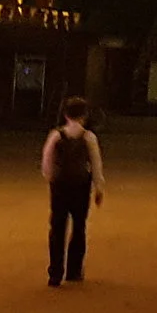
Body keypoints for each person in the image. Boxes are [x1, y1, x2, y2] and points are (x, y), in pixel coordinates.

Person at [40, 97, 106, 286]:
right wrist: (99, 188)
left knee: (57, 228)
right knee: (79, 227)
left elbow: (47, 161)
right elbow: (96, 164)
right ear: (84, 116)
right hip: (80, 186)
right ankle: (74, 270)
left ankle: (55, 272)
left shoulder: (56, 135)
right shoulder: (88, 137)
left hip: (60, 186)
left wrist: (51, 179)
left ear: (65, 115)